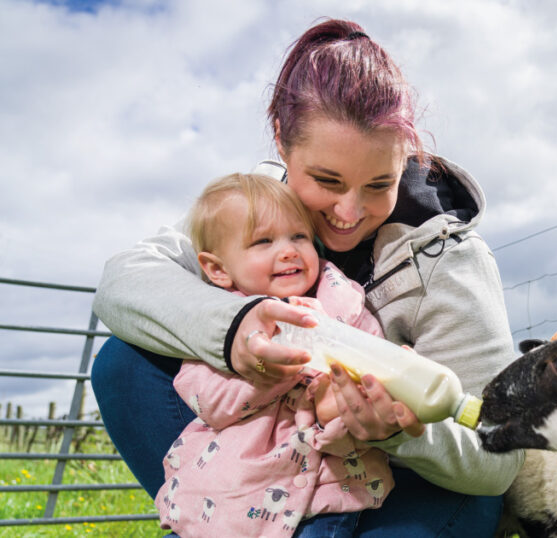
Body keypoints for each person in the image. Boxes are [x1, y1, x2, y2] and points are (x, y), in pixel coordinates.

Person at [90, 18, 524, 538]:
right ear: (281, 142)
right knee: (123, 362)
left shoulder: (448, 260)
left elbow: (497, 459)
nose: (349, 210)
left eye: (378, 184)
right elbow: (122, 280)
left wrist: (402, 434)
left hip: (407, 486)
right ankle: (220, 519)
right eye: (326, 180)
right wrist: (236, 327)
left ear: (404, 157)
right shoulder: (251, 211)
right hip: (268, 465)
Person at [156, 172, 392, 537]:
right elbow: (209, 400)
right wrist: (279, 368)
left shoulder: (345, 308)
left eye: (299, 236)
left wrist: (339, 404)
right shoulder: (223, 321)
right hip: (228, 496)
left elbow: (371, 388)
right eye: (263, 241)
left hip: (325, 493)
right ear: (218, 269)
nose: (288, 250)